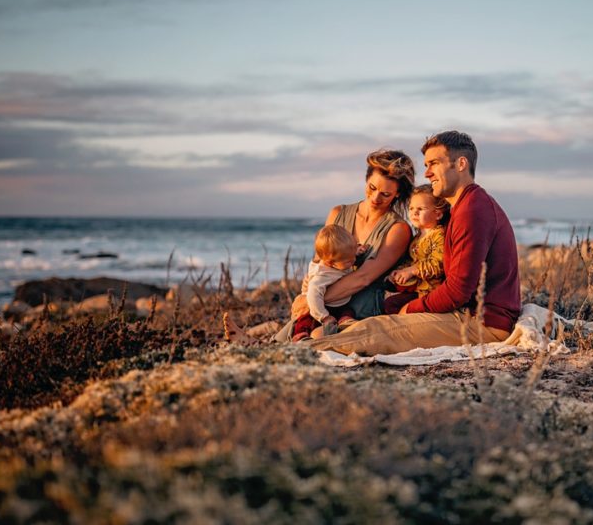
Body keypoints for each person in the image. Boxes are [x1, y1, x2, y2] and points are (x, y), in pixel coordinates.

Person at [311, 130, 521, 356]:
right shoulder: (462, 207)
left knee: (373, 331)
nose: (427, 173)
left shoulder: (473, 210)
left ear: (461, 164)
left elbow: (457, 291)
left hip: (481, 323)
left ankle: (299, 353)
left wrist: (412, 308)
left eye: (433, 163)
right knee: (379, 319)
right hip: (466, 314)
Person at [223, 149, 415, 344]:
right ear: (366, 180)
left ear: (397, 194)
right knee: (305, 325)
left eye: (385, 194)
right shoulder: (338, 213)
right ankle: (264, 345)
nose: (375, 198)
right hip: (325, 293)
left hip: (361, 300)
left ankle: (266, 346)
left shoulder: (397, 229)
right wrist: (306, 293)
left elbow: (363, 278)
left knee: (317, 334)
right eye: (372, 188)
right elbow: (320, 262)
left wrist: (313, 300)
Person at [383, 185, 450, 315]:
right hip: (417, 290)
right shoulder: (417, 238)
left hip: (432, 293)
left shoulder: (439, 236)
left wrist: (412, 270)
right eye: (411, 208)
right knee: (390, 303)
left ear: (438, 214)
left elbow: (438, 264)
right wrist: (401, 271)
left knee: (396, 306)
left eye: (421, 209)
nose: (414, 212)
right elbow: (412, 260)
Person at [292, 224, 359, 342]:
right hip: (318, 307)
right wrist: (324, 316)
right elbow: (313, 296)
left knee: (349, 311)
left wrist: (357, 251)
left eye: (354, 255)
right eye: (349, 260)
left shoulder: (340, 259)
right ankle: (301, 335)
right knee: (305, 320)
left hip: (339, 304)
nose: (354, 260)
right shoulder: (322, 276)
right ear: (330, 263)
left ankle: (345, 322)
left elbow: (348, 255)